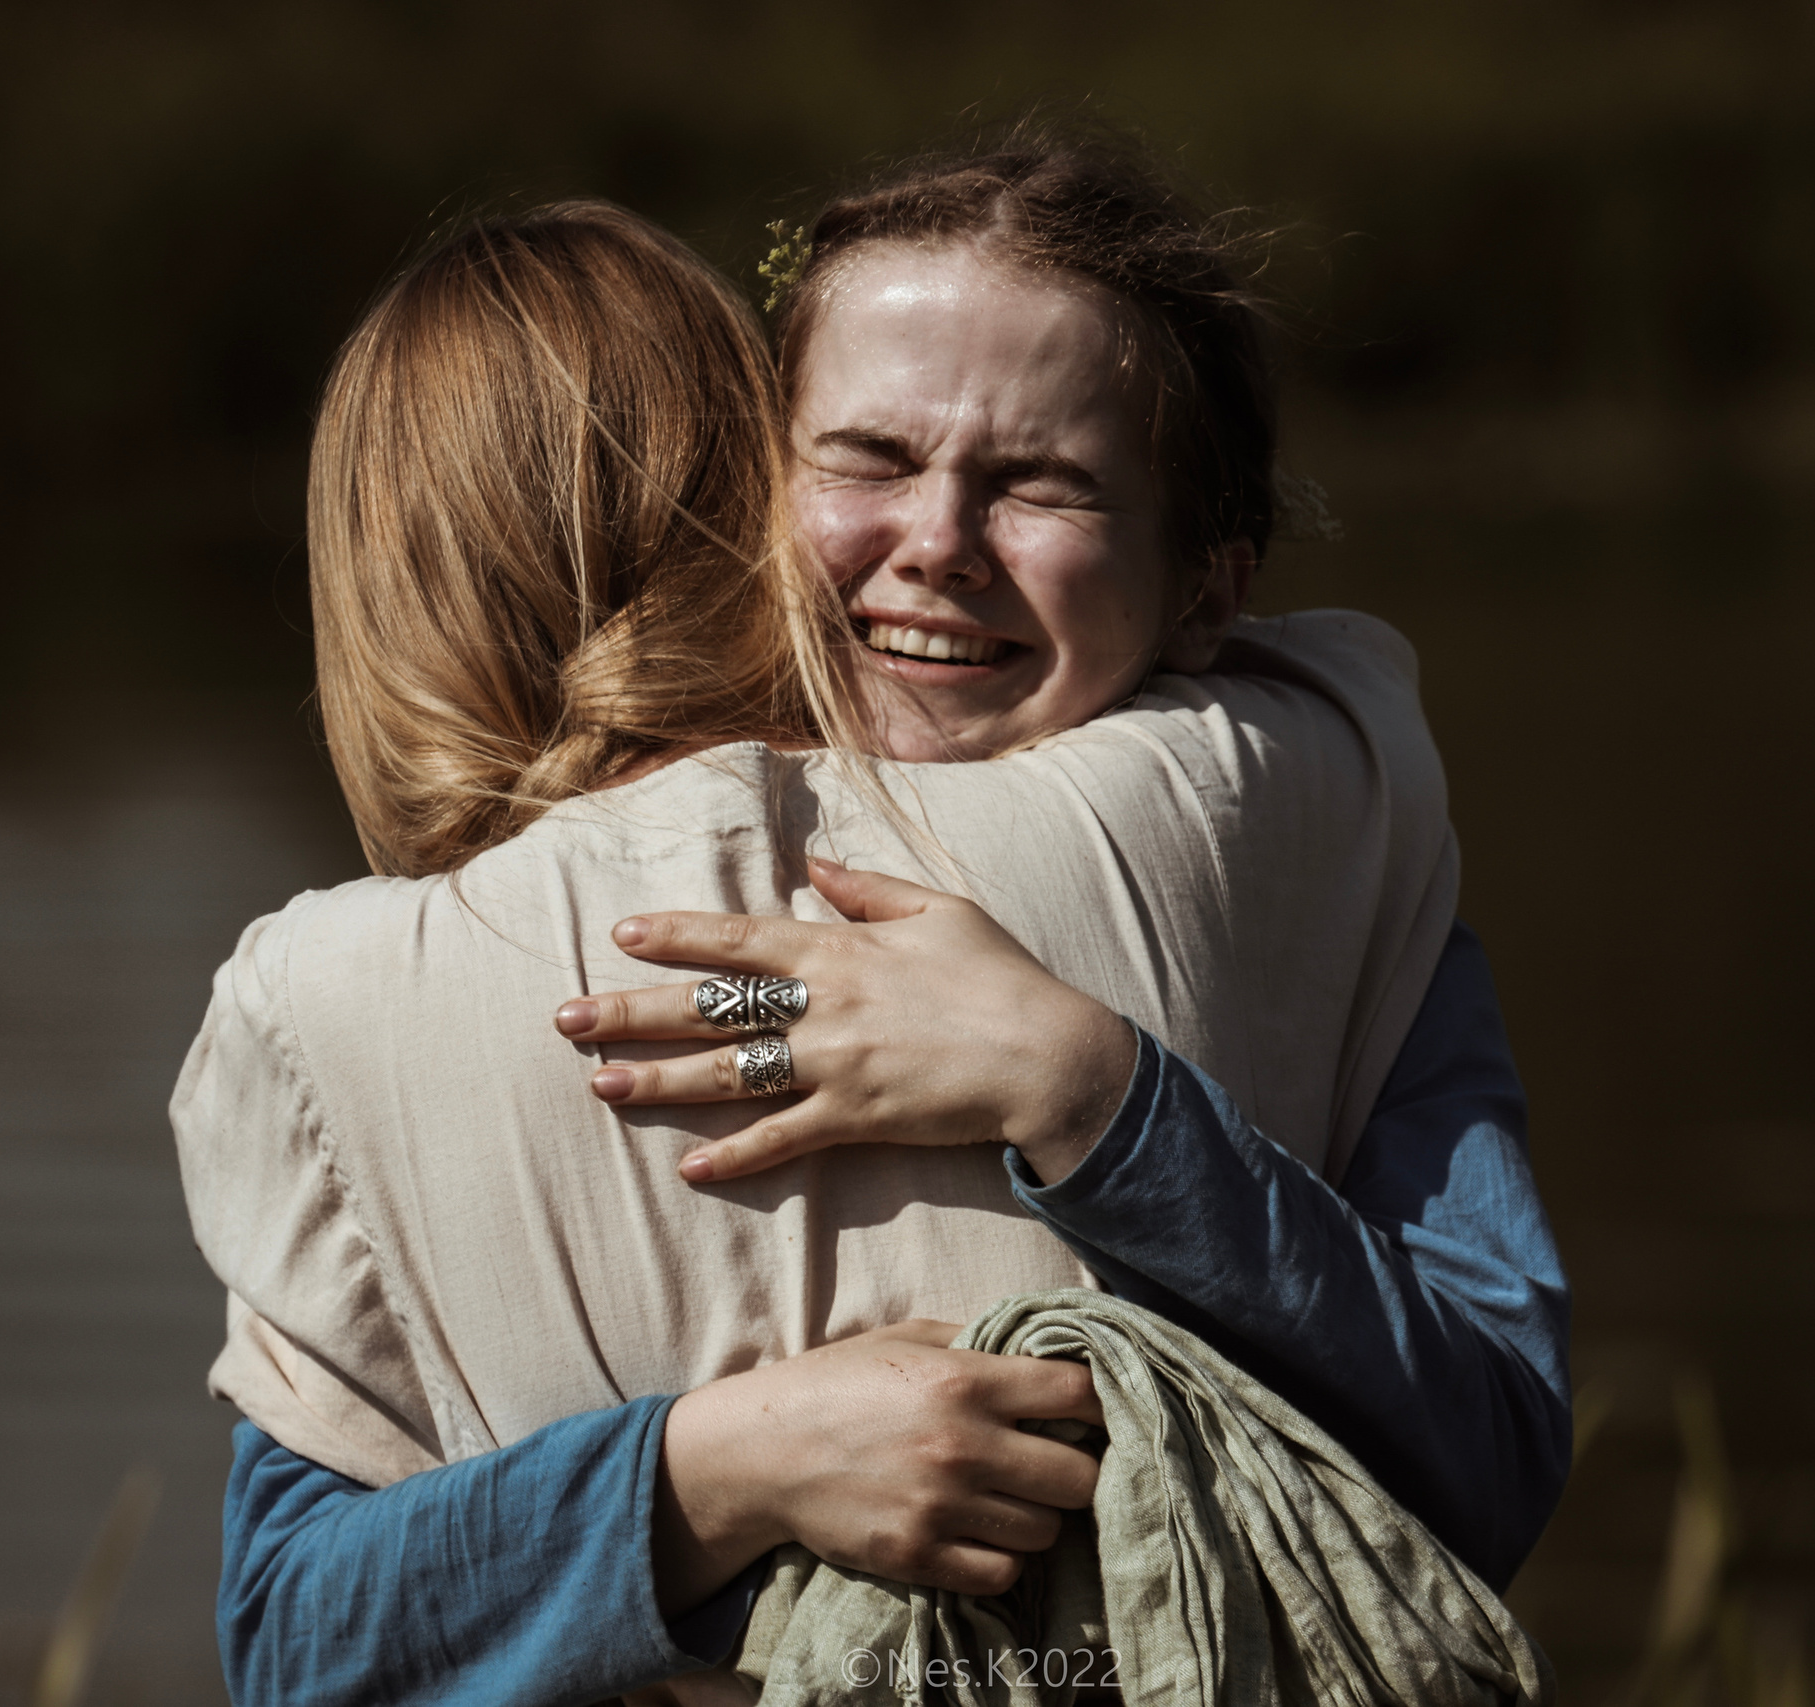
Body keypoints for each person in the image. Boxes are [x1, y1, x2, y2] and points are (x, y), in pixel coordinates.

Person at [179, 142, 1564, 1707]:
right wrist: (714, 1472)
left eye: (1043, 481)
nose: (938, 542)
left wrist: (1093, 1092)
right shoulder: (1336, 780)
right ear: (748, 493)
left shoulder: (1319, 864)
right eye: (865, 458)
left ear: (1205, 592)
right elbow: (293, 1628)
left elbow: (1493, 1466)